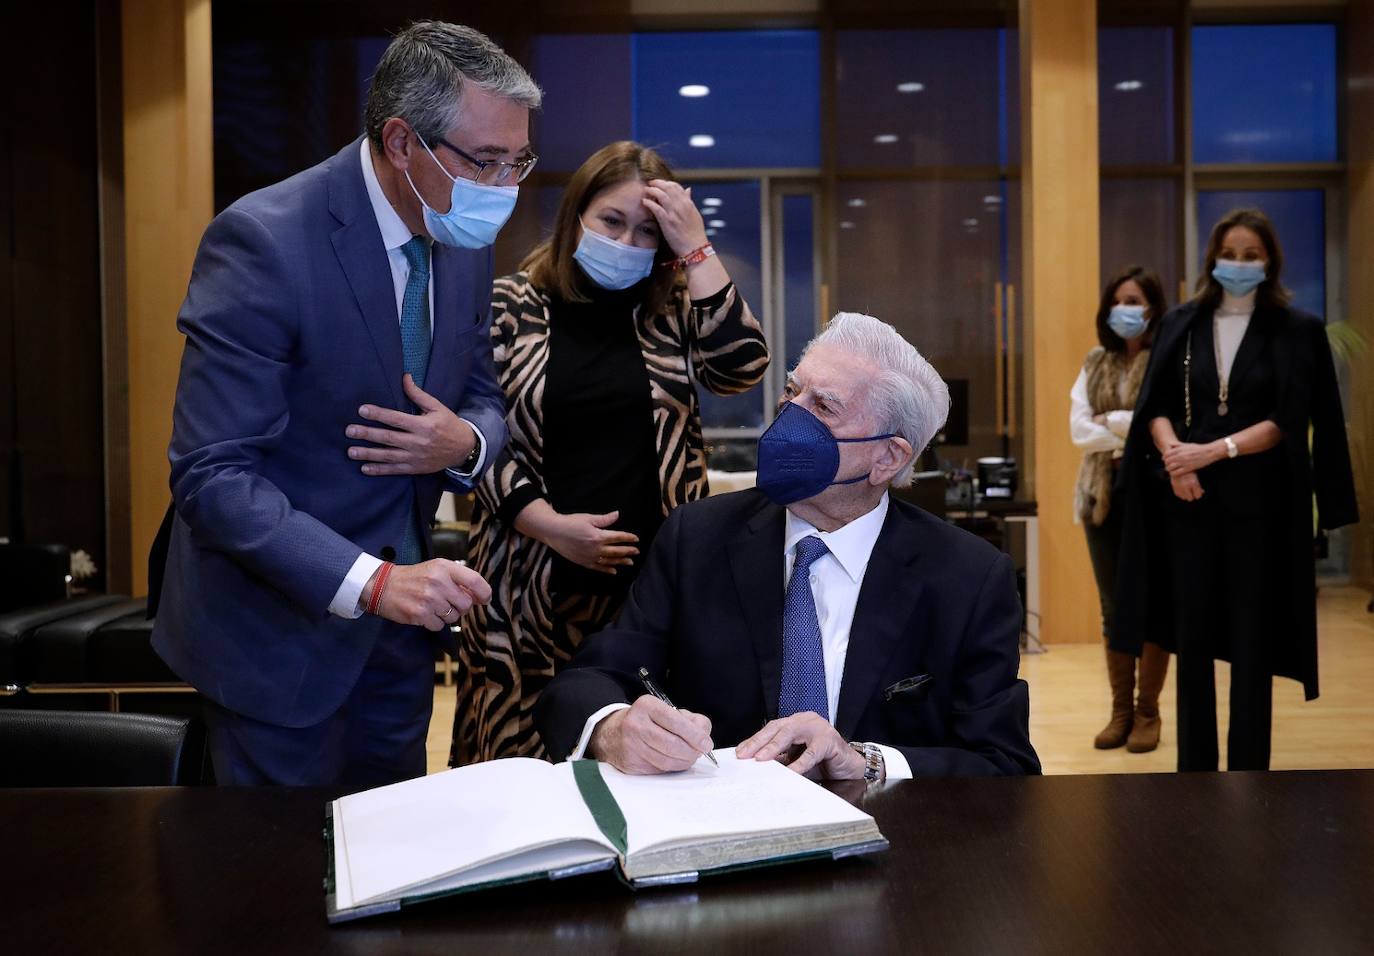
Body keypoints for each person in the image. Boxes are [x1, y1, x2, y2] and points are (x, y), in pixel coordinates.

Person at [152, 22, 541, 787]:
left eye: (517, 161)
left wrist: (462, 444)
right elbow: (212, 474)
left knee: (389, 874)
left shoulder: (459, 233)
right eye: (486, 161)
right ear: (402, 142)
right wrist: (373, 582)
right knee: (275, 892)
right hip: (276, 638)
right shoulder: (265, 241)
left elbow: (484, 399)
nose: (504, 188)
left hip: (400, 645)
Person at [535, 312, 1041, 780]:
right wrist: (613, 728)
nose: (787, 415)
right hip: (718, 839)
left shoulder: (969, 576)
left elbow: (1004, 764)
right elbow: (589, 679)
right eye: (792, 392)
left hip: (894, 849)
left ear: (888, 457)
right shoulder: (698, 538)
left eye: (823, 406)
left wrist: (864, 761)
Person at [450, 141, 769, 765]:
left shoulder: (671, 310)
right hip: (527, 583)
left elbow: (742, 369)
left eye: (647, 231)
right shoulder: (511, 304)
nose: (626, 241)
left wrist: (695, 247)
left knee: (649, 760)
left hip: (649, 594)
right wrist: (552, 527)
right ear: (576, 218)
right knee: (524, 764)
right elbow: (474, 437)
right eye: (612, 221)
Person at [1114, 208, 1358, 772]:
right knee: (1190, 641)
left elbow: (1287, 420)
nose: (1240, 265)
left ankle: (1251, 772)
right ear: (1213, 259)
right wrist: (1177, 457)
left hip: (1260, 508)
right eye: (1231, 255)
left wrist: (1212, 451)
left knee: (1253, 643)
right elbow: (1155, 407)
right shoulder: (1182, 321)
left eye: (1252, 256)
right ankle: (1194, 774)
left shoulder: (1296, 330)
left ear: (1269, 261)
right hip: (1188, 503)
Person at [1069, 266, 1171, 753]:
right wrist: (1133, 426)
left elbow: (1169, 424)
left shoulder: (1167, 358)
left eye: (1134, 300)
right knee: (1113, 608)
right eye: (1117, 301)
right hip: (1101, 496)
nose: (1123, 309)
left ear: (1152, 307)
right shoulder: (1095, 360)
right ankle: (1121, 713)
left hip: (1153, 496)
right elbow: (1078, 431)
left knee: (1152, 607)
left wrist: (1112, 420)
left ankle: (1149, 712)